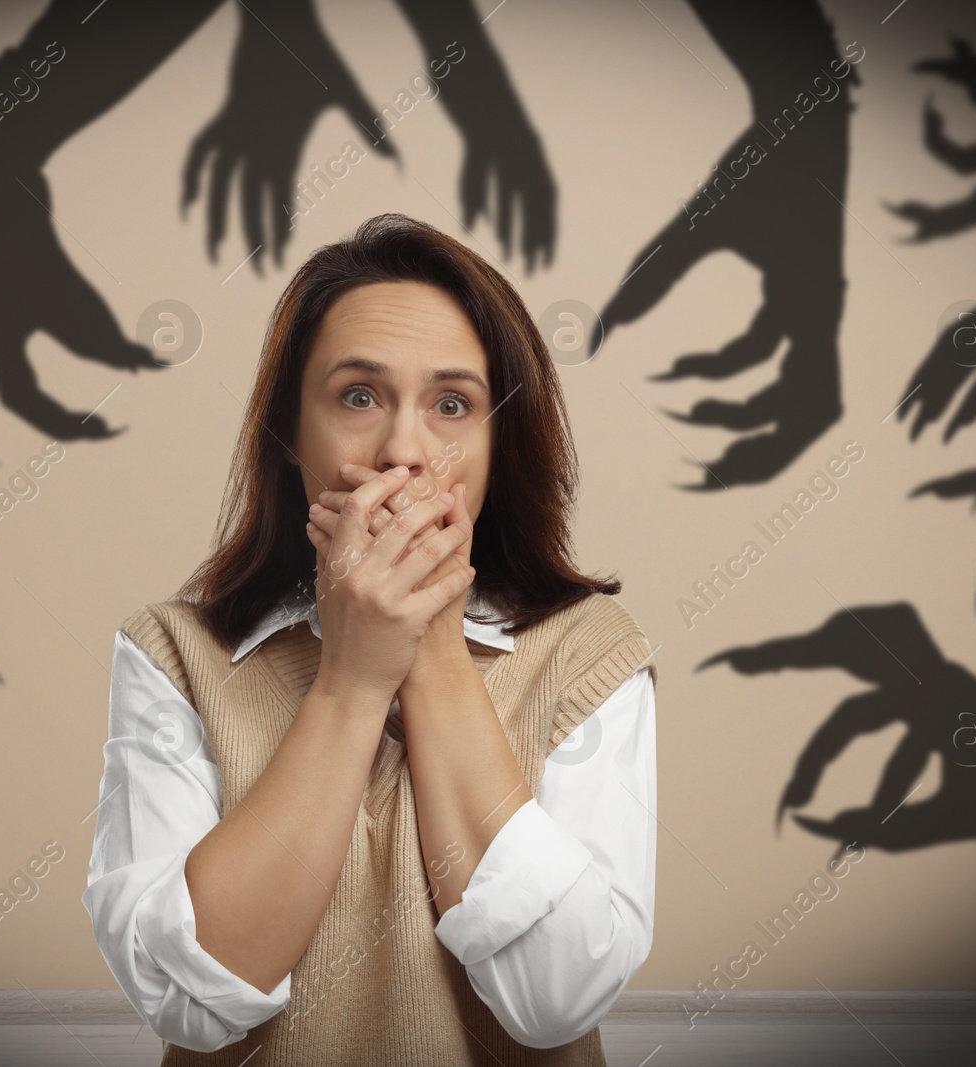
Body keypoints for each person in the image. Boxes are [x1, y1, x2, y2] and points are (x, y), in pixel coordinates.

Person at [82, 213, 659, 1065]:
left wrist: (429, 648)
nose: (402, 450)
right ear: (289, 431)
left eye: (452, 405)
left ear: (501, 443)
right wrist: (351, 682)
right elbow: (189, 1004)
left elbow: (556, 998)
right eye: (359, 396)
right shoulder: (176, 653)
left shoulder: (590, 652)